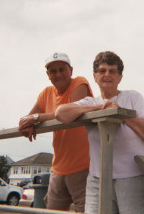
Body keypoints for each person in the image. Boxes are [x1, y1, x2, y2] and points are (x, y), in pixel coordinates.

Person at [55, 51, 144, 214]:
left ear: (120, 77)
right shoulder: (90, 102)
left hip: (133, 177)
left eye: (112, 71)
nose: (107, 75)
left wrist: (121, 114)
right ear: (95, 76)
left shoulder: (133, 97)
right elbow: (61, 113)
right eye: (102, 71)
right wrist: (100, 108)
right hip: (98, 179)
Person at [18, 52, 93, 212]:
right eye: (53, 71)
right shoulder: (46, 93)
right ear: (47, 75)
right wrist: (29, 123)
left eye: (62, 69)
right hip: (58, 168)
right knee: (52, 210)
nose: (58, 74)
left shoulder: (80, 82)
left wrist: (37, 117)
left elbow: (73, 110)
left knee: (86, 210)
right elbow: (26, 119)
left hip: (84, 166)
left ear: (71, 70)